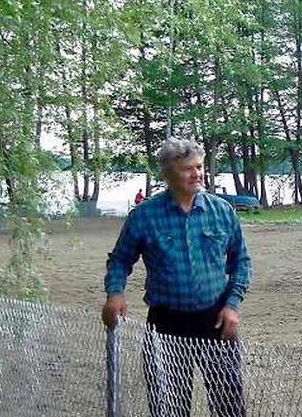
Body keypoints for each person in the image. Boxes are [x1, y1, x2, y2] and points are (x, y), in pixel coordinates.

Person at [102, 137, 252, 416]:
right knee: (168, 407)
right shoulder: (144, 216)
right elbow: (120, 259)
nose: (197, 174)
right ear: (168, 174)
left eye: (199, 167)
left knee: (229, 405)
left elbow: (241, 261)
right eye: (188, 169)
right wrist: (115, 293)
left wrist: (232, 305)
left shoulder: (221, 211)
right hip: (165, 324)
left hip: (217, 322)